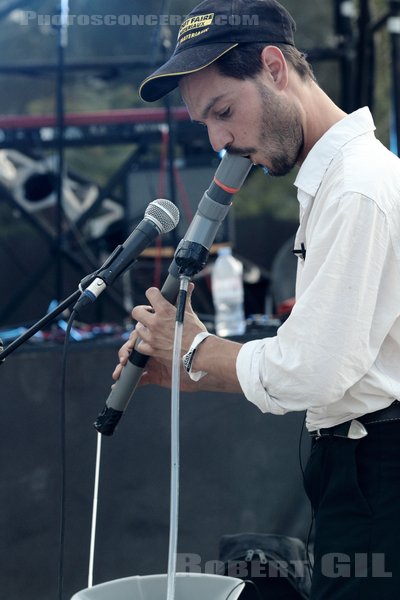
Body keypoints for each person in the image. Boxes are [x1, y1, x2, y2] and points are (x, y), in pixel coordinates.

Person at [113, 1, 400, 598]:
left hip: (379, 470)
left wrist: (195, 348)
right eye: (206, 125)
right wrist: (191, 367)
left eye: (224, 111)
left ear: (274, 67)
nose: (220, 140)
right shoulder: (339, 180)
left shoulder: (356, 187)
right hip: (360, 466)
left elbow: (316, 370)